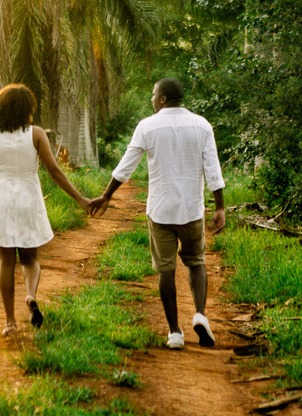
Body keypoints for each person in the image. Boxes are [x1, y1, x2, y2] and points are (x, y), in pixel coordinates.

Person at [90, 78, 225, 349]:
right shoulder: (201, 125)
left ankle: (175, 333)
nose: (151, 99)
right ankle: (199, 314)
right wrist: (220, 206)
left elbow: (125, 167)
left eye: (153, 95)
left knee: (166, 270)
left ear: (162, 99)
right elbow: (213, 169)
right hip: (191, 210)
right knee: (196, 262)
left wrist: (107, 195)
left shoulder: (147, 126)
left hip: (161, 211)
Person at [0, 83, 92, 336]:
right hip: (29, 198)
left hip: (2, 197)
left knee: (6, 262)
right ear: (25, 109)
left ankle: (9, 323)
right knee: (30, 259)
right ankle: (30, 295)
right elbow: (55, 171)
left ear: (0, 110)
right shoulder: (36, 134)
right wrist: (80, 199)